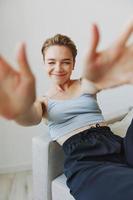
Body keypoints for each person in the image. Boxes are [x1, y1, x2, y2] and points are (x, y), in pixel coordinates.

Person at [0, 20, 133, 200]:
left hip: (118, 144)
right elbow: (30, 116)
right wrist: (20, 111)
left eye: (65, 62)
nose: (58, 68)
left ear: (73, 64)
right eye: (51, 62)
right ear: (44, 64)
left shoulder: (85, 83)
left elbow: (95, 82)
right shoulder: (43, 101)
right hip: (87, 160)